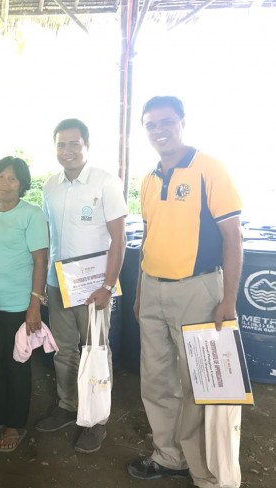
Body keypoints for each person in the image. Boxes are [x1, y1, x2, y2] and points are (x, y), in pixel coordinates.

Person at [127, 96, 243, 487]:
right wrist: (142, 291)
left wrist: (228, 299)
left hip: (198, 291)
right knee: (157, 380)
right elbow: (147, 238)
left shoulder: (208, 168)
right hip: (154, 289)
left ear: (182, 122)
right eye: (150, 124)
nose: (159, 129)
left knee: (199, 383)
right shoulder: (147, 179)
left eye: (166, 121)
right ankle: (168, 456)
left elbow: (233, 237)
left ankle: (203, 471)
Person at [34, 119, 127, 453]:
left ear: (86, 146)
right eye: (61, 144)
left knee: (97, 351)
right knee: (65, 349)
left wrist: (108, 284)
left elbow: (120, 239)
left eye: (74, 144)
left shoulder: (104, 182)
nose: (67, 151)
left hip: (94, 286)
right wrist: (45, 282)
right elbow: (49, 238)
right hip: (59, 284)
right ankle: (67, 405)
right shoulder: (50, 186)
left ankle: (96, 420)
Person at [0, 156, 49, 453]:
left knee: (18, 365)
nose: (4, 183)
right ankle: (0, 417)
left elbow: (41, 261)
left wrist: (34, 305)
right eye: (0, 176)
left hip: (19, 305)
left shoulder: (31, 214)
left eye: (12, 178)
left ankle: (16, 424)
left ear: (22, 185)